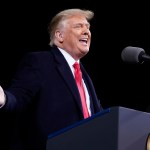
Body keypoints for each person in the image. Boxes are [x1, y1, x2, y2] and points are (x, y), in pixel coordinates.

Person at [0, 8, 103, 150]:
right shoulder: (40, 62)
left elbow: (99, 120)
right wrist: (4, 98)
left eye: (88, 27)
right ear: (60, 36)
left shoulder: (85, 77)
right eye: (78, 26)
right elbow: (19, 96)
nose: (87, 31)